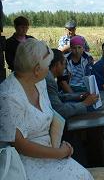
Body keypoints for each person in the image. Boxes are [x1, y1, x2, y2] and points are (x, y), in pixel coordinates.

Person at [0, 38, 93, 180]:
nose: (50, 68)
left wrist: (58, 143)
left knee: (84, 175)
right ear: (37, 70)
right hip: (22, 162)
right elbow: (21, 146)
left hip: (50, 149)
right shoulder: (9, 96)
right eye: (48, 65)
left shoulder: (39, 82)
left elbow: (51, 112)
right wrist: (60, 153)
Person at [46, 49, 98, 119]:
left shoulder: (49, 77)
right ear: (58, 64)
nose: (65, 67)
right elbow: (60, 110)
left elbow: (59, 96)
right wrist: (85, 103)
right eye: (64, 64)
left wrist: (81, 96)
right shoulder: (49, 81)